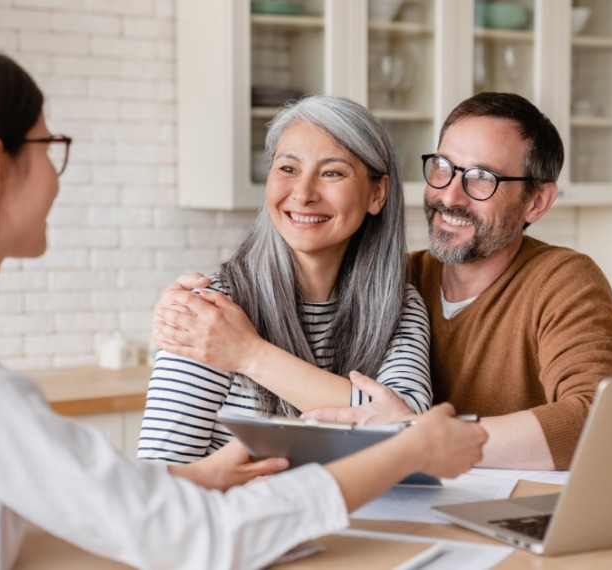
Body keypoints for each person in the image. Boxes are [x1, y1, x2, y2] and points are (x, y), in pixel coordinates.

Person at [0, 44, 487, 570]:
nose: (58, 176)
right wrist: (410, 446)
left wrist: (192, 475)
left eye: (333, 172)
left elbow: (98, 499)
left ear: (377, 193)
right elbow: (192, 533)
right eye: (49, 148)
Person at [300, 92, 612, 471]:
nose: (450, 196)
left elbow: (604, 421)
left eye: (481, 178)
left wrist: (418, 436)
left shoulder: (560, 281)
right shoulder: (393, 280)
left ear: (536, 202)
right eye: (443, 167)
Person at [140, 95, 431, 464]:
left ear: (377, 193)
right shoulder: (211, 313)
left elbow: (408, 428)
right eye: (288, 169)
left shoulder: (399, 304)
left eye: (332, 173)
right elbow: (160, 478)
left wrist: (249, 354)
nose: (304, 193)